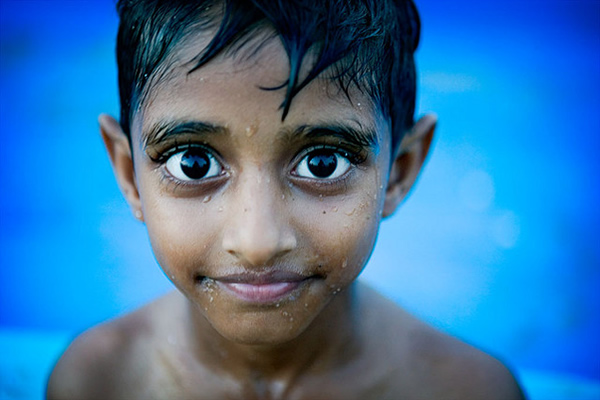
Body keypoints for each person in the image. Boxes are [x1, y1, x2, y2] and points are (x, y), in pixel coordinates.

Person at [47, 0, 525, 398]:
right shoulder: (97, 381)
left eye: (323, 163)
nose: (258, 241)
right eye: (193, 163)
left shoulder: (468, 390)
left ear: (399, 172)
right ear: (129, 174)